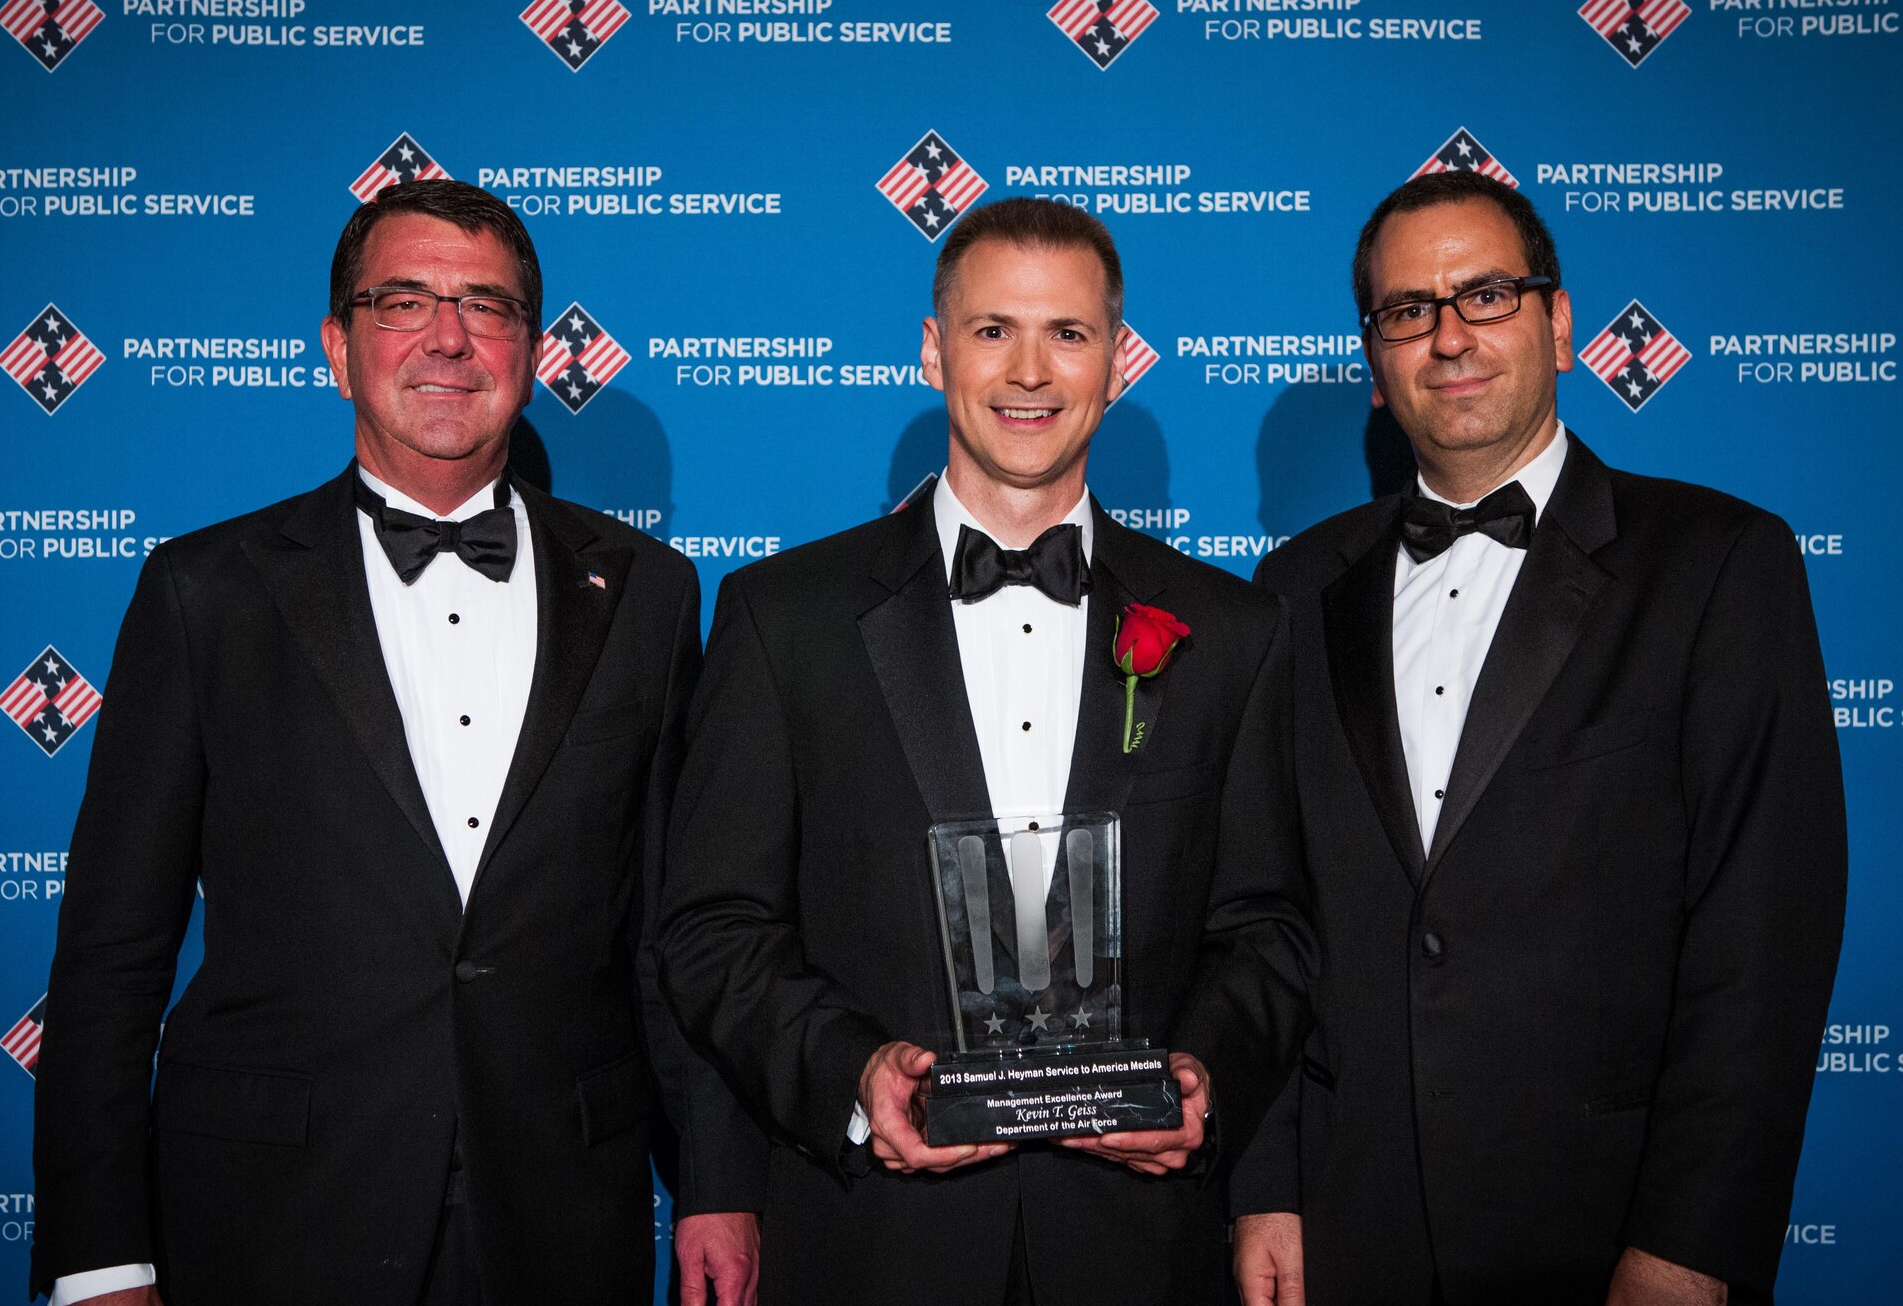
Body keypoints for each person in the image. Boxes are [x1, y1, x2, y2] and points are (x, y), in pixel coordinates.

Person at [30, 180, 761, 1306]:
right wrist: (97, 1255)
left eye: (488, 306)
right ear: (337, 343)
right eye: (403, 299)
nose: (449, 338)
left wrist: (714, 1179)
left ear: (529, 347)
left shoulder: (649, 592)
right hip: (271, 1205)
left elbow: (668, 923)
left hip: (559, 1205)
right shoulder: (205, 591)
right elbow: (110, 952)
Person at [656, 197, 1314, 1305]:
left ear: (1116, 361)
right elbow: (713, 927)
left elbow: (1268, 926)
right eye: (990, 328)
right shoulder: (784, 617)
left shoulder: (1230, 629)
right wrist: (856, 1073)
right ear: (930, 349)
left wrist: (1198, 1073)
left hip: (1140, 1242)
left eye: (1067, 333)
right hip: (875, 1237)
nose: (1029, 371)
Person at [1230, 170, 1847, 1306]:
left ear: (1559, 324)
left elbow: (1762, 940)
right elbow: (1268, 915)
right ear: (1373, 355)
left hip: (1605, 1228)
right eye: (1407, 309)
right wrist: (1267, 1182)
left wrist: (1689, 1245)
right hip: (1351, 1220)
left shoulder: (1717, 562)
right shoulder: (1293, 587)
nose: (1449, 336)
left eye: (1486, 294)